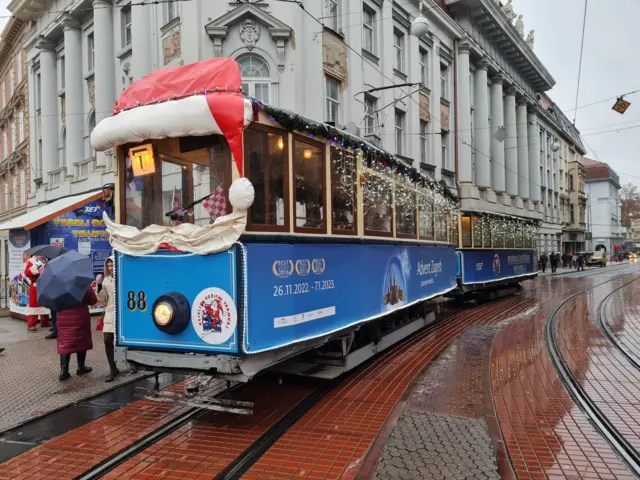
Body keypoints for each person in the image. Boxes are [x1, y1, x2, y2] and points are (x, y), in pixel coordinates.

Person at [57, 288, 98, 381]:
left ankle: (64, 371)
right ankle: (81, 367)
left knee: (65, 342)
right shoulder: (83, 284)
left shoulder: (59, 286)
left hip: (63, 318)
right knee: (81, 340)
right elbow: (93, 300)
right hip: (80, 317)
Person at [97, 257, 119, 382]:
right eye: (109, 266)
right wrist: (99, 285)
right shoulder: (106, 280)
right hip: (110, 313)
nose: (110, 268)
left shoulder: (124, 276)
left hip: (123, 313)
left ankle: (132, 364)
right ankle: (113, 368)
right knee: (107, 340)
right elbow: (103, 298)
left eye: (112, 265)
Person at [24, 255, 51, 332]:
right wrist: (36, 266)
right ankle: (31, 324)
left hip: (44, 284)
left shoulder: (46, 260)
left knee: (45, 303)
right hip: (35, 285)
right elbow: (27, 273)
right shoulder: (32, 261)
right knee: (34, 305)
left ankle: (45, 322)